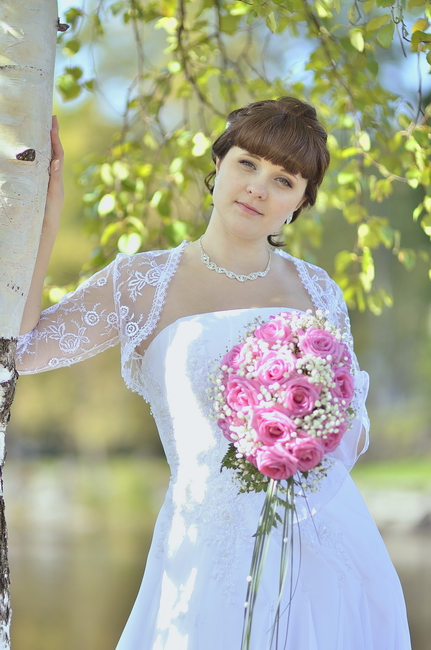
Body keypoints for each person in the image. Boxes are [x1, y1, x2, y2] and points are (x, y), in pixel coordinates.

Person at [16, 98, 411, 649]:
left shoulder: (318, 290)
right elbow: (21, 348)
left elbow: (353, 431)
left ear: (299, 203)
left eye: (283, 180)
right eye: (247, 164)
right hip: (202, 554)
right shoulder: (142, 283)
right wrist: (45, 216)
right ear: (218, 165)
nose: (257, 188)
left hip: (325, 549)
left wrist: (303, 418)